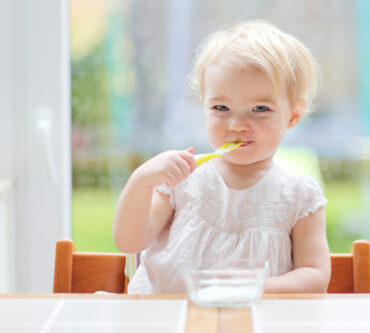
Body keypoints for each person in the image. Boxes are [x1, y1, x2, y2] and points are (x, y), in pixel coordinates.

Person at [113, 20, 331, 294]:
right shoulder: (181, 181)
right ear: (203, 106)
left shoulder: (299, 197)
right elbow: (129, 242)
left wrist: (257, 287)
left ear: (293, 116)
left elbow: (315, 277)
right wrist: (141, 180)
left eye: (260, 108)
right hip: (167, 320)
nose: (238, 124)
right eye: (221, 107)